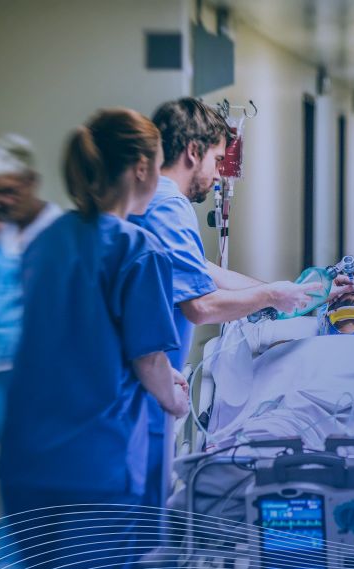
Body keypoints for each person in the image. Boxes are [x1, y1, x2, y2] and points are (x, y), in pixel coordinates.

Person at [0, 108, 190, 569]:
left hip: (25, 460)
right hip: (94, 466)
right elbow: (148, 361)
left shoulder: (45, 241)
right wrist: (175, 397)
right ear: (143, 168)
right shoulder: (137, 249)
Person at [129, 97, 320, 508]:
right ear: (192, 152)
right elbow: (200, 306)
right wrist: (270, 296)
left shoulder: (153, 202)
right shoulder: (171, 207)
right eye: (218, 160)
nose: (220, 175)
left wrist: (294, 297)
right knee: (140, 513)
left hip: (150, 376)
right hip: (146, 385)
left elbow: (204, 272)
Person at [0, 134, 61, 437]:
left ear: (31, 181)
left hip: (41, 369)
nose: (3, 200)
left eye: (10, 190)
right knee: (7, 460)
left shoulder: (56, 226)